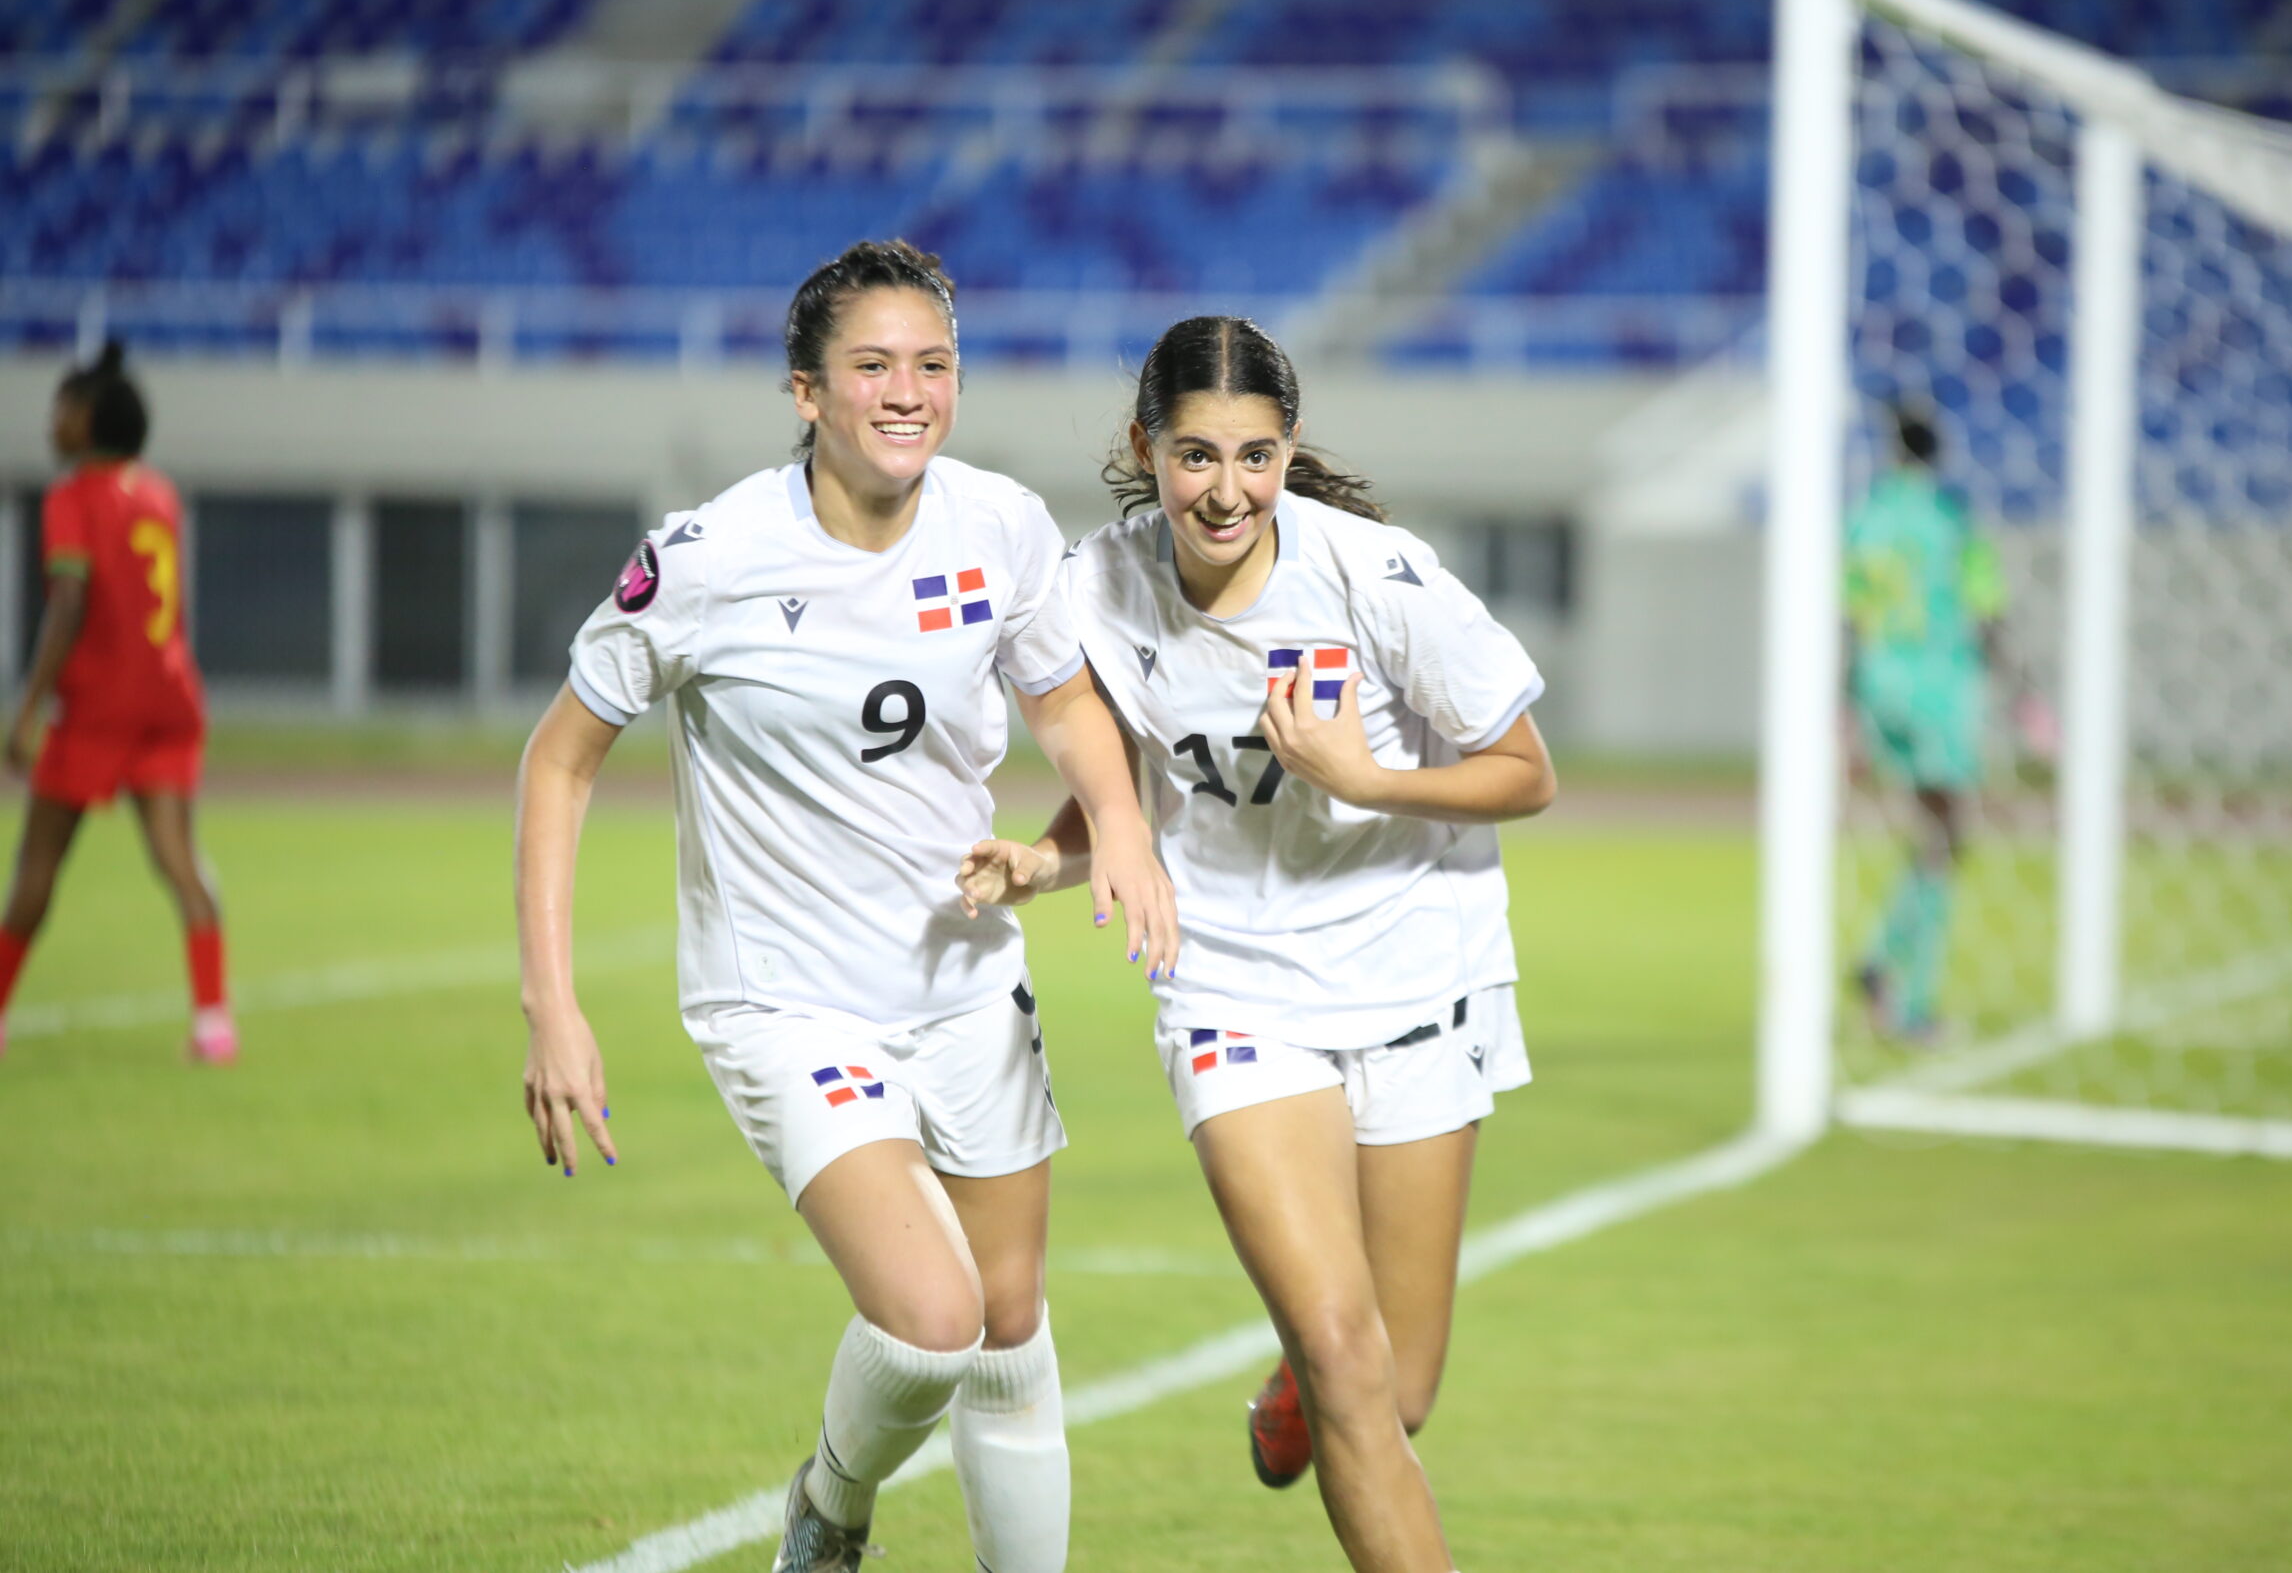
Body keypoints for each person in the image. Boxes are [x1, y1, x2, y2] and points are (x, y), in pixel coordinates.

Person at [514, 240, 1177, 1573]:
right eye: (872, 365)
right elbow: (561, 754)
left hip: (967, 984)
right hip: (785, 998)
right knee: (931, 1316)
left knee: (1008, 1326)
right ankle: (830, 1501)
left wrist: (1113, 826)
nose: (906, 391)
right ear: (805, 390)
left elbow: (1066, 706)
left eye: (932, 364)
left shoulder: (998, 525)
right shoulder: (708, 558)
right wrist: (555, 1003)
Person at [960, 315, 1553, 1573]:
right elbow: (1125, 799)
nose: (1223, 490)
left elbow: (1524, 773)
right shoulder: (1093, 589)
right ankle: (1315, 1347)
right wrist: (1045, 860)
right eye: (1193, 456)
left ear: (1289, 451)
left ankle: (1301, 1368)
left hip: (1414, 970)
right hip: (1233, 988)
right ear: (1145, 446)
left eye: (1254, 456)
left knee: (1392, 1396)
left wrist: (1366, 776)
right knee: (1350, 1360)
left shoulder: (1376, 578)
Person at [0, 341, 229, 1063]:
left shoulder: (73, 497)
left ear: (91, 416)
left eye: (61, 407)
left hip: (96, 708)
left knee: (38, 862)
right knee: (179, 858)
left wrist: (29, 706)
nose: (51, 421)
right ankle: (213, 1022)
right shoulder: (158, 493)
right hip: (166, 699)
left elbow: (69, 600)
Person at [1842, 403, 2051, 1043]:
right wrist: (2025, 701)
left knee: (1934, 835)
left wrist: (1844, 712)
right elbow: (1987, 614)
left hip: (1881, 686)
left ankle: (1881, 964)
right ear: (1939, 452)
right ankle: (1910, 1002)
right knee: (1945, 840)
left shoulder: (1865, 519)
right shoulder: (1950, 519)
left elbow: (1847, 619)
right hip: (1938, 688)